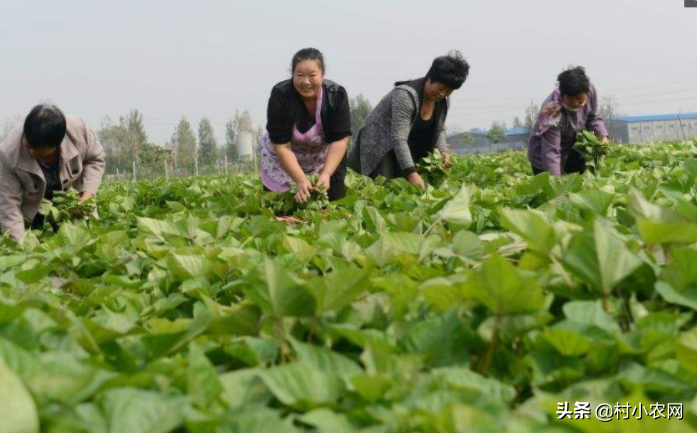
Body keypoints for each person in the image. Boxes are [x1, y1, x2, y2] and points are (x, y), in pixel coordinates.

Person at [348, 50, 469, 189]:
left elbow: (439, 129)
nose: (442, 94)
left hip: (406, 145)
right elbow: (398, 138)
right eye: (441, 88)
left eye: (449, 91)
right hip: (380, 144)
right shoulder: (405, 96)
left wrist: (444, 152)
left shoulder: (443, 102)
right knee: (385, 188)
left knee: (410, 189)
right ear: (430, 77)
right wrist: (411, 173)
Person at [0, 104, 106, 241]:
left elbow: (96, 158)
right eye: (28, 144)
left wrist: (86, 197)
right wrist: (21, 247)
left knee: (85, 242)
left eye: (38, 151)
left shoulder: (79, 132)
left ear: (58, 144)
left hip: (74, 207)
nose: (31, 152)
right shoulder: (8, 152)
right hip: (32, 212)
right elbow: (9, 206)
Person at [261, 48, 352, 203]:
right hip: (283, 160)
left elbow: (340, 140)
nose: (306, 81)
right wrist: (300, 179)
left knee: (332, 205)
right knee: (281, 209)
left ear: (322, 75)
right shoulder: (280, 96)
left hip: (322, 159)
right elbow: (282, 146)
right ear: (293, 75)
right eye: (300, 75)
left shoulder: (336, 95)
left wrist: (326, 174)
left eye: (312, 75)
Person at [528, 66, 609, 176]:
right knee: (552, 188)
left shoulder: (589, 90)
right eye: (571, 99)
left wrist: (603, 136)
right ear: (562, 95)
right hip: (543, 155)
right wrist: (557, 182)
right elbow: (551, 151)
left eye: (580, 98)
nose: (576, 103)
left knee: (580, 180)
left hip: (569, 148)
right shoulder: (552, 110)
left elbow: (593, 116)